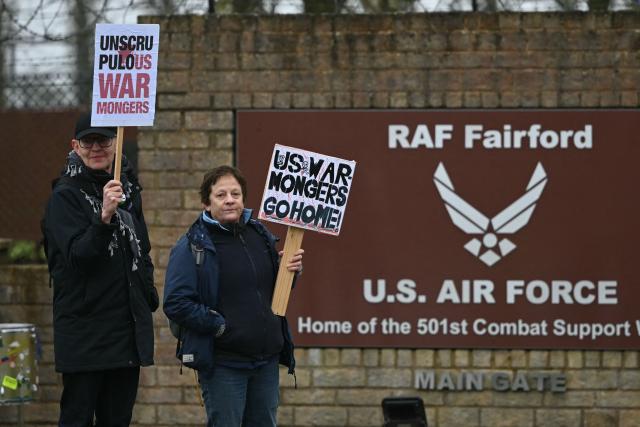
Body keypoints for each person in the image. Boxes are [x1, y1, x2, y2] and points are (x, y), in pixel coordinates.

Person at [163, 165, 304, 427]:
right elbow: (175, 303)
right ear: (206, 203)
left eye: (236, 194)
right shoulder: (193, 244)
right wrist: (219, 327)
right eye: (221, 195)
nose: (230, 200)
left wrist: (290, 273)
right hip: (224, 365)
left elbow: (268, 289)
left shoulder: (259, 235)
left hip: (265, 361)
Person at [42, 113, 158, 426]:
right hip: (86, 336)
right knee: (78, 418)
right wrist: (104, 217)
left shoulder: (129, 193)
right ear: (75, 146)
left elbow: (142, 248)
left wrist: (148, 292)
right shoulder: (64, 197)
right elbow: (78, 258)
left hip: (125, 333)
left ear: (116, 143)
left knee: (117, 419)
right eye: (88, 141)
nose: (96, 148)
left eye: (104, 140)